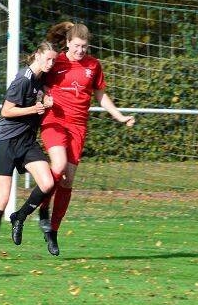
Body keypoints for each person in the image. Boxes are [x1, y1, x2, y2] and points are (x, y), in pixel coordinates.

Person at [37, 22, 135, 256]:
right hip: (54, 122)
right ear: (68, 43)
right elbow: (36, 82)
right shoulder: (55, 61)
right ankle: (42, 208)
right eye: (77, 45)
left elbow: (101, 96)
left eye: (85, 46)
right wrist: (41, 100)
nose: (81, 50)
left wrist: (120, 117)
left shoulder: (93, 65)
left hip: (78, 127)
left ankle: (53, 230)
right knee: (58, 167)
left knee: (68, 181)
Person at [0, 41, 58, 261]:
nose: (51, 63)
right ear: (38, 56)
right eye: (48, 59)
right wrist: (36, 108)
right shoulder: (23, 79)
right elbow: (6, 110)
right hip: (5, 143)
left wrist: (46, 100)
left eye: (54, 60)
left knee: (48, 182)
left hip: (26, 143)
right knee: (2, 198)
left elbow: (40, 96)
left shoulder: (40, 80)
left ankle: (20, 216)